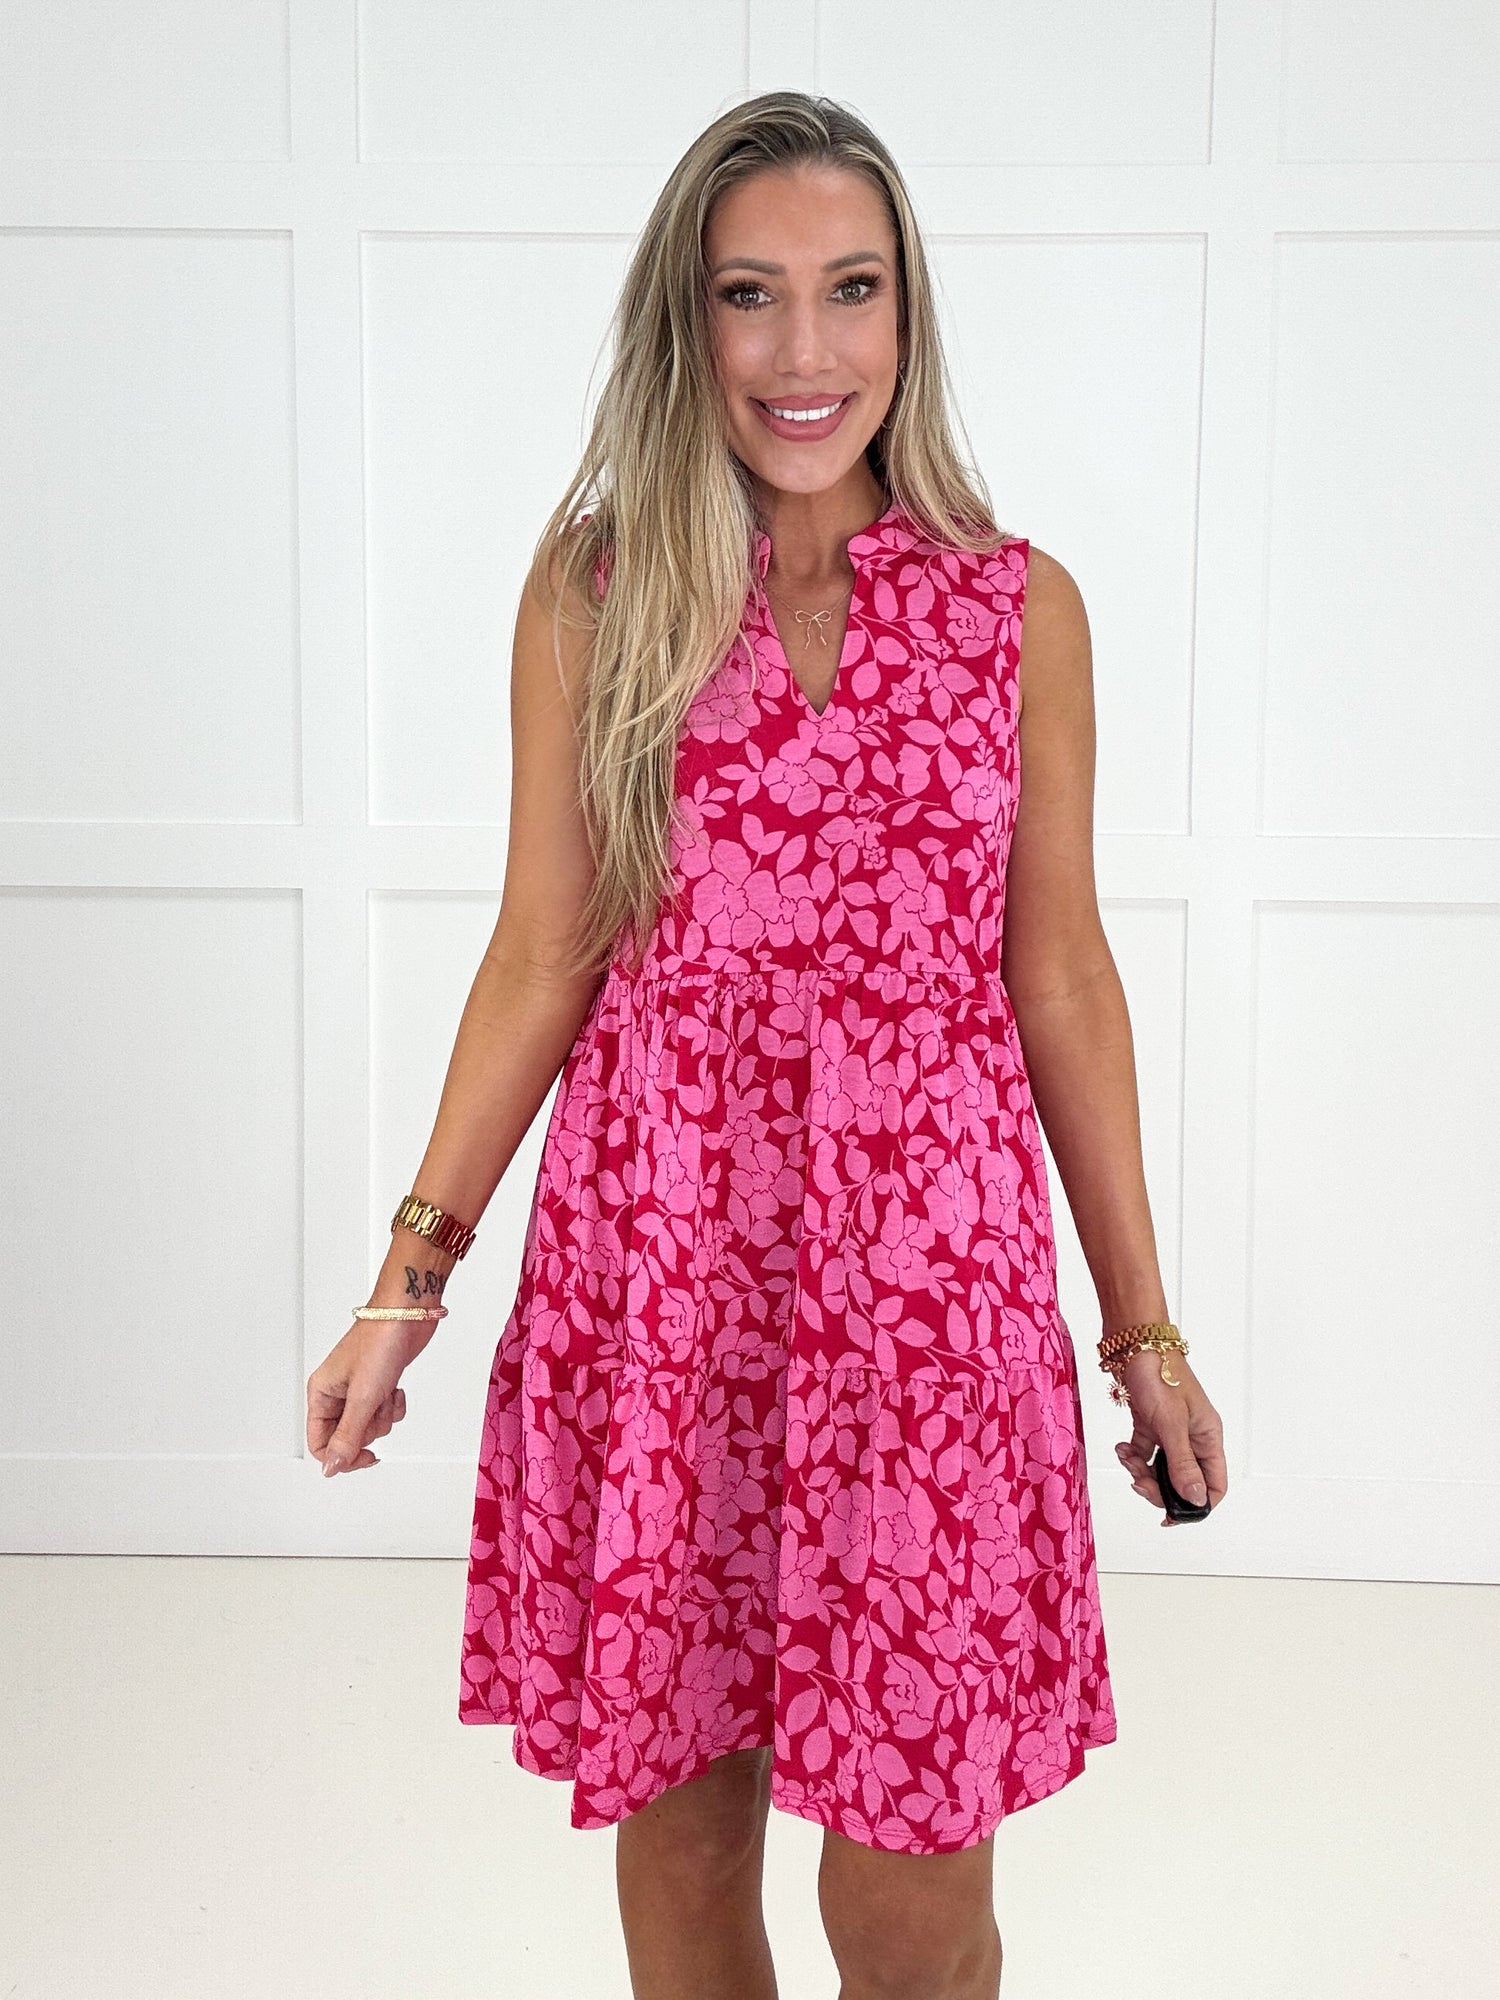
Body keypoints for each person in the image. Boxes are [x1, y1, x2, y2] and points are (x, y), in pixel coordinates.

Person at [307, 90, 1227, 2000]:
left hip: (928, 1311)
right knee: (688, 1838)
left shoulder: (1015, 610)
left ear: (908, 313)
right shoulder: (600, 594)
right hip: (670, 1281)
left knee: (913, 1899)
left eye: (850, 290)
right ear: (690, 319)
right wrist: (411, 1279)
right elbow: (543, 952)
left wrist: (1143, 1334)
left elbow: (1061, 976)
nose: (806, 352)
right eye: (751, 294)